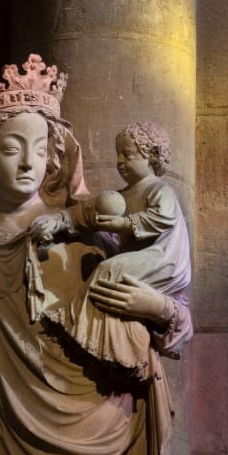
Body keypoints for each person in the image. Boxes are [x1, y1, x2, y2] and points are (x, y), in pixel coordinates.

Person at [0, 55, 191, 455]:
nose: (30, 162)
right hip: (7, 440)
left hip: (106, 429)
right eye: (12, 149)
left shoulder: (81, 230)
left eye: (42, 149)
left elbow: (176, 325)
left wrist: (157, 307)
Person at [28, 122, 191, 373]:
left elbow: (162, 218)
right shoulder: (122, 196)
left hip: (163, 259)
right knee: (109, 270)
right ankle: (86, 330)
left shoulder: (160, 190)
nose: (120, 162)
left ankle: (78, 327)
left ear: (152, 157)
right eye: (118, 155)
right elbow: (88, 212)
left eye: (127, 155)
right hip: (143, 262)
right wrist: (60, 220)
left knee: (110, 268)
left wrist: (124, 224)